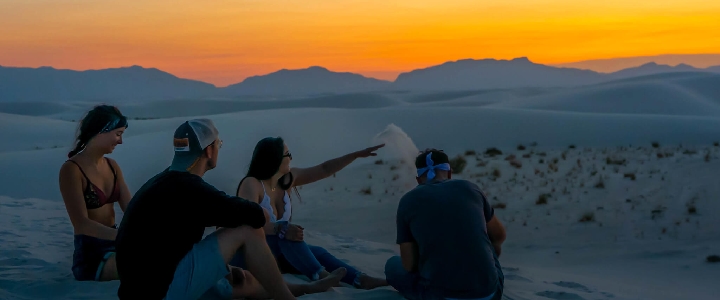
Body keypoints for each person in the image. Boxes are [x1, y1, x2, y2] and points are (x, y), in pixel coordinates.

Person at [115, 119, 320, 300]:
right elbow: (257, 216)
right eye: (218, 144)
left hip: (139, 289)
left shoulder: (158, 183)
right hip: (161, 291)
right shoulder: (191, 189)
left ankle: (299, 288)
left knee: (237, 281)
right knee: (248, 229)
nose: (219, 149)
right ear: (209, 150)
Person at [232, 136, 389, 290]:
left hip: (277, 256)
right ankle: (322, 276)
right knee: (286, 231)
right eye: (288, 154)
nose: (291, 158)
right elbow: (247, 224)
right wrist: (280, 229)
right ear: (274, 159)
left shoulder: (287, 179)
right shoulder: (252, 184)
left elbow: (324, 169)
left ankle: (359, 279)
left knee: (318, 252)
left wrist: (355, 155)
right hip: (252, 254)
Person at [385, 149, 507, 300]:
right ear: (449, 173)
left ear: (418, 180)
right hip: (490, 294)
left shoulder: (407, 200)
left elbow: (409, 265)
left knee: (391, 265)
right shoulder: (470, 188)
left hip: (438, 296)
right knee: (489, 241)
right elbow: (499, 236)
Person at [59, 105, 132, 282]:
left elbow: (132, 209)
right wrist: (125, 238)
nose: (120, 141)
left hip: (117, 245)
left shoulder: (112, 166)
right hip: (92, 255)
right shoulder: (72, 170)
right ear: (101, 131)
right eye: (118, 134)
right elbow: (82, 224)